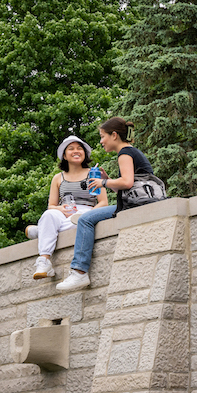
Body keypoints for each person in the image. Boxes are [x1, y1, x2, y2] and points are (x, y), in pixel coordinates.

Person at [57, 117, 153, 291]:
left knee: (85, 219)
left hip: (135, 205)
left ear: (114, 135)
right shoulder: (131, 151)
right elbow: (127, 187)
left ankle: (79, 272)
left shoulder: (124, 153)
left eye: (102, 136)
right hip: (140, 201)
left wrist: (103, 183)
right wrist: (108, 180)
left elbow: (127, 182)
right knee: (87, 219)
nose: (101, 141)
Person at [31, 136, 108, 280]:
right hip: (64, 214)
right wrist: (61, 209)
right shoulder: (58, 178)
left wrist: (90, 214)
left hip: (86, 212)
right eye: (71, 149)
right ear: (64, 155)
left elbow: (103, 202)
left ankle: (41, 231)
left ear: (85, 153)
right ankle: (45, 261)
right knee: (49, 215)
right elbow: (51, 206)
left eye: (79, 148)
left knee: (77, 221)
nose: (76, 151)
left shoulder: (93, 173)